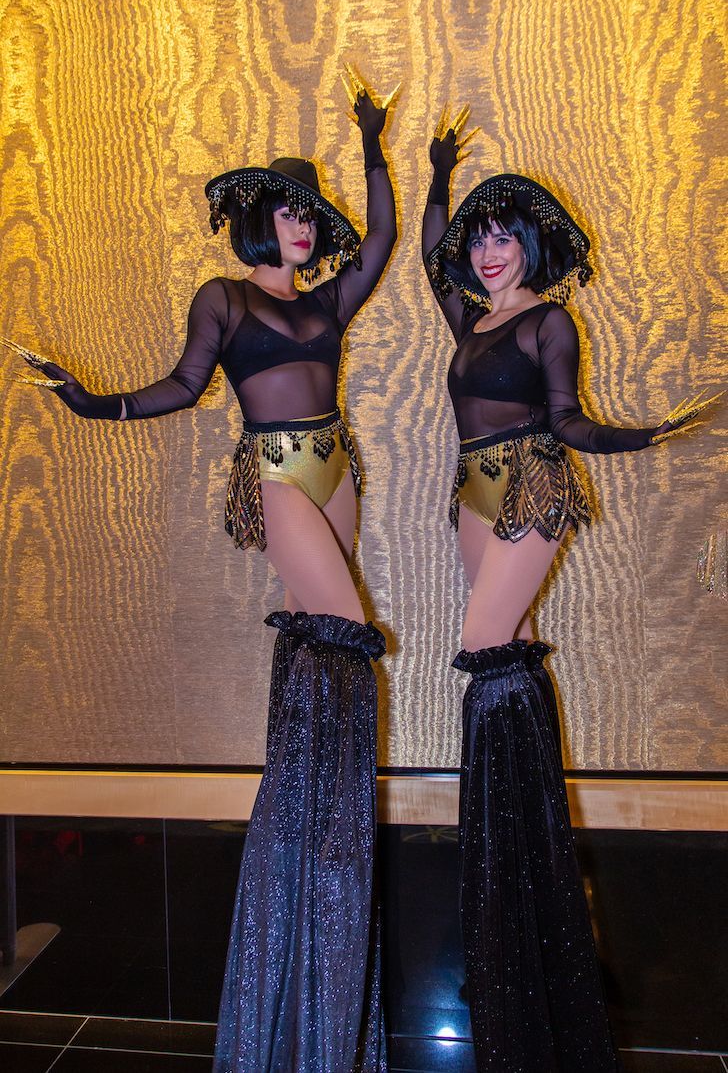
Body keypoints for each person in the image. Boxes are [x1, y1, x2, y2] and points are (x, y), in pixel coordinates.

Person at [5, 69, 397, 1073]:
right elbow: (182, 388)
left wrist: (372, 144)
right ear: (255, 224)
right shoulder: (220, 298)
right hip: (274, 472)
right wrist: (91, 405)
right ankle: (318, 856)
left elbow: (384, 243)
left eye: (310, 220)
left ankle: (318, 839)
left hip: (334, 463)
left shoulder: (328, 300)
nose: (301, 234)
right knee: (344, 641)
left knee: (333, 651)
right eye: (284, 217)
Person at [421, 110, 716, 1072]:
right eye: (479, 234)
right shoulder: (471, 316)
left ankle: (521, 888)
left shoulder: (552, 320)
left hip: (535, 484)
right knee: (493, 668)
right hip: (471, 490)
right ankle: (514, 871)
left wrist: (647, 435)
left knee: (484, 645)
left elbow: (573, 425)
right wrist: (433, 174)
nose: (487, 248)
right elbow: (428, 257)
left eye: (505, 234)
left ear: (532, 245)